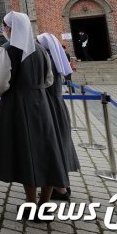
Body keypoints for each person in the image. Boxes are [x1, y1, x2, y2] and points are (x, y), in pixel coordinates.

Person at [0, 11, 68, 214]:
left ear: (10, 28)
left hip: (17, 105)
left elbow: (0, 84)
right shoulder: (41, 50)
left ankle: (31, 203)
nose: (4, 30)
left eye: (4, 27)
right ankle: (45, 204)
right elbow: (49, 79)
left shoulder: (7, 50)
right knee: (46, 150)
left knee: (26, 151)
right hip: (41, 103)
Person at [37, 33, 81, 200]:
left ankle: (60, 189)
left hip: (49, 106)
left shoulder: (46, 59)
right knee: (61, 143)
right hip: (58, 106)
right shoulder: (54, 58)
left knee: (54, 145)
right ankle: (62, 185)